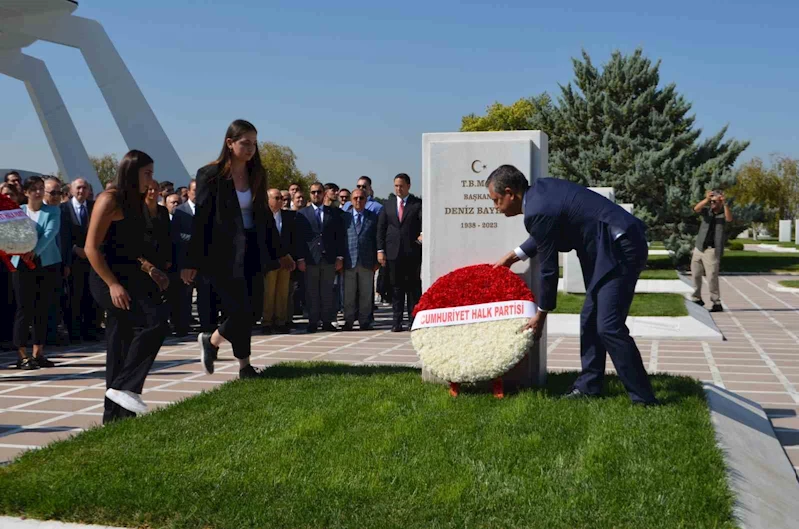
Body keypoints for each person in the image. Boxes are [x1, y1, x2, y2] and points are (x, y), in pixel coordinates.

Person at [489, 164, 658, 405]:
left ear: (510, 192)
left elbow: (548, 271)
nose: (496, 207)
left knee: (609, 326)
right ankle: (590, 385)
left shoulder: (536, 210)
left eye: (496, 200)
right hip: (610, 246)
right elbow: (544, 233)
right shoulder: (541, 193)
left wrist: (541, 314)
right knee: (589, 318)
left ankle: (644, 398)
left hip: (619, 248)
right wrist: (513, 256)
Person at [181, 119, 293, 378]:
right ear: (230, 143)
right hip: (221, 255)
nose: (251, 148)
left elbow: (264, 216)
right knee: (240, 310)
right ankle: (235, 360)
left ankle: (222, 350)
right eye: (245, 143)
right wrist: (191, 261)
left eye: (254, 143)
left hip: (253, 252)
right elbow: (202, 220)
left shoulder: (257, 173)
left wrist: (280, 252)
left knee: (252, 310)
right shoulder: (210, 176)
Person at [86, 150, 170, 423]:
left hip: (132, 273)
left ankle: (116, 413)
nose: (152, 179)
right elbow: (91, 248)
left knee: (123, 338)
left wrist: (152, 269)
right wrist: (112, 285)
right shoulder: (108, 200)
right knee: (152, 321)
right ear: (132, 172)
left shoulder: (137, 203)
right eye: (147, 173)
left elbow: (133, 249)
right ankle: (124, 388)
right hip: (105, 276)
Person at [10, 176, 62, 370]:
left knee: (43, 308)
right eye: (34, 189)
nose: (38, 192)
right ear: (26, 192)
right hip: (21, 265)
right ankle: (22, 355)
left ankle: (38, 353)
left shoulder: (53, 211)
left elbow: (50, 233)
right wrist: (21, 250)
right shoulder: (18, 212)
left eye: (41, 188)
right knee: (24, 309)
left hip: (46, 264)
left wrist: (34, 251)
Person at [296, 182, 345, 332]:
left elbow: (339, 236)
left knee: (327, 291)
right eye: (313, 192)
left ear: (324, 193)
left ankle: (327, 321)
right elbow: (299, 238)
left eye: (318, 192)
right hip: (310, 258)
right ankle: (313, 322)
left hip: (329, 258)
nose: (316, 195)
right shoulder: (302, 214)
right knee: (312, 292)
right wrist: (300, 259)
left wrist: (339, 257)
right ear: (310, 194)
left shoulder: (334, 213)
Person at [377, 173, 422, 332]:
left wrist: (419, 241)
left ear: (408, 186)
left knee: (412, 289)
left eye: (401, 185)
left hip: (412, 253)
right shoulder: (387, 205)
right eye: (396, 185)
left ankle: (413, 321)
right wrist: (380, 250)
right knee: (396, 289)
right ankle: (396, 322)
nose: (398, 188)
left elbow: (423, 226)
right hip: (393, 253)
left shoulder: (417, 204)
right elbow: (381, 229)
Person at [172, 179, 218, 334]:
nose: (197, 193)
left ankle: (207, 327)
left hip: (205, 261)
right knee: (184, 297)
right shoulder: (180, 211)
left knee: (205, 296)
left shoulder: (209, 210)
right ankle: (182, 327)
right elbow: (175, 235)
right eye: (194, 190)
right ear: (188, 192)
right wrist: (194, 239)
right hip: (185, 261)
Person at [61, 178, 101, 342]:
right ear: (71, 190)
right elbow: (62, 236)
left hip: (93, 260)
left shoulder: (94, 208)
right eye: (78, 188)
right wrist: (74, 249)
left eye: (84, 188)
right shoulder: (63, 209)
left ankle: (91, 330)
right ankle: (74, 332)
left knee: (92, 295)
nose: (81, 191)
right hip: (74, 260)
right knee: (74, 297)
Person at [263, 188, 302, 334]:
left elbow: (293, 239)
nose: (281, 201)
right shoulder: (262, 217)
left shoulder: (288, 216)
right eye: (277, 198)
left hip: (286, 261)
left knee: (283, 293)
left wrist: (290, 257)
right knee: (268, 293)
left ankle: (280, 321)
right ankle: (267, 322)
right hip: (269, 262)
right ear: (268, 200)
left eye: (282, 198)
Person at [342, 188, 379, 331]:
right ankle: (348, 321)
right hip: (349, 260)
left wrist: (377, 260)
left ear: (366, 200)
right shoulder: (344, 217)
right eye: (356, 198)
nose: (358, 200)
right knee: (348, 294)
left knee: (366, 293)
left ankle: (364, 321)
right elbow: (340, 239)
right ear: (351, 200)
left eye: (361, 198)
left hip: (367, 261)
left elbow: (376, 239)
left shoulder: (373, 217)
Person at [691, 190, 733, 313]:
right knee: (696, 274)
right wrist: (706, 199)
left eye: (715, 201)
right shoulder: (706, 212)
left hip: (712, 250)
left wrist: (725, 204)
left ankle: (716, 302)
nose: (713, 203)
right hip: (699, 248)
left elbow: (729, 219)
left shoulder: (723, 214)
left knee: (711, 277)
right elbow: (696, 209)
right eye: (712, 201)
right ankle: (696, 298)